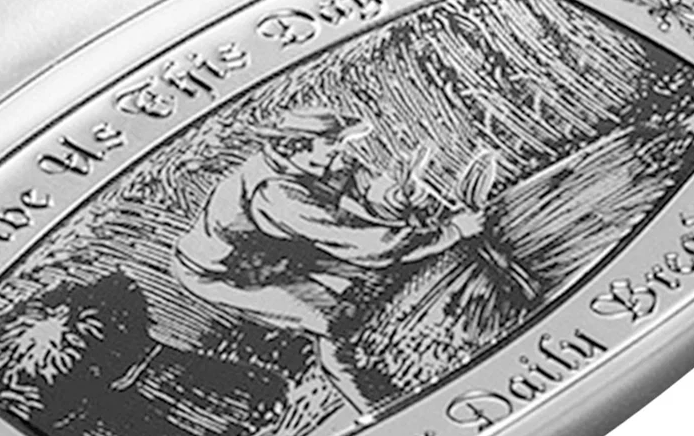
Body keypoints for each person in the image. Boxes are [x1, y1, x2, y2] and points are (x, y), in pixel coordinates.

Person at [173, 108, 482, 419]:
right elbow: (366, 245)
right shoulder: (274, 194)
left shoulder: (317, 161)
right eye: (332, 143)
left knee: (372, 279)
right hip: (228, 274)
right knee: (332, 320)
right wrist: (452, 232)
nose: (340, 151)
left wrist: (393, 197)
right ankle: (378, 409)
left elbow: (364, 193)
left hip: (281, 247)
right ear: (296, 145)